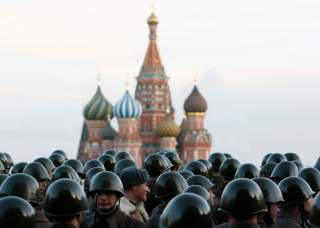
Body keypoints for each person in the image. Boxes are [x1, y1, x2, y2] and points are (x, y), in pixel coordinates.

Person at [80, 171, 145, 228]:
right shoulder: (83, 223)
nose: (103, 198)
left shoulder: (133, 225)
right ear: (93, 196)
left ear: (117, 196)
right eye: (99, 193)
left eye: (109, 193)